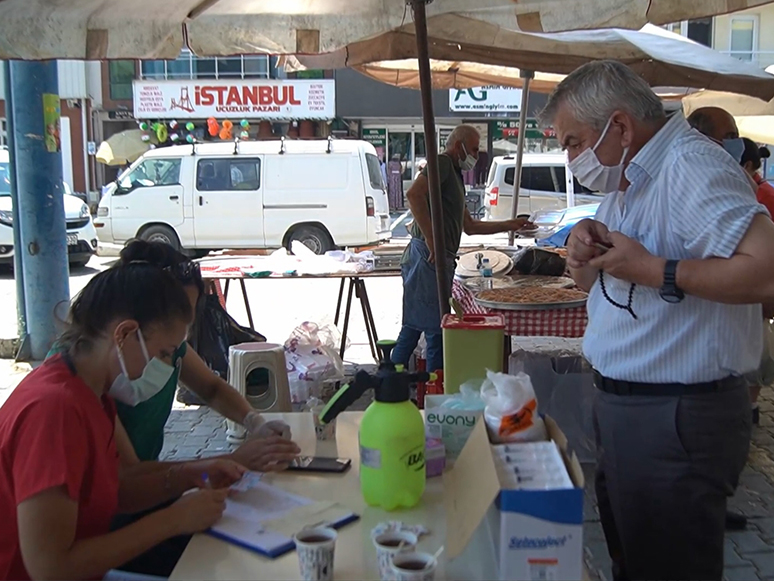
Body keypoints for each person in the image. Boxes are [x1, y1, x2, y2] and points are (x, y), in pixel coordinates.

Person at [541, 60, 774, 580]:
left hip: (677, 413)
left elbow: (766, 275)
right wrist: (584, 254)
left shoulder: (692, 167)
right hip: (635, 408)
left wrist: (651, 269)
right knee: (638, 562)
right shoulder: (632, 180)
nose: (571, 158)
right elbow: (607, 284)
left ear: (620, 126)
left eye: (574, 142)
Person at [0, 263, 247, 580]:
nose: (167, 366)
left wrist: (197, 472)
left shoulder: (93, 392)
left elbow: (122, 488)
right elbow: (51, 568)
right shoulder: (54, 410)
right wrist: (173, 519)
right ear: (125, 334)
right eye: (162, 353)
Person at [391, 124, 531, 373]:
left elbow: (470, 226)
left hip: (433, 255)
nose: (476, 157)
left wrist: (512, 224)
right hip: (427, 255)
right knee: (435, 331)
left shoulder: (454, 177)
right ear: (459, 146)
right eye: (474, 150)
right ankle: (433, 390)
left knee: (414, 327)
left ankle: (391, 377)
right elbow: (414, 195)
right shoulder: (443, 163)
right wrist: (433, 240)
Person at [687, 110, 774, 432]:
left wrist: (661, 272)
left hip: (732, 334)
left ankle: (748, 412)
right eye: (730, 134)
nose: (735, 142)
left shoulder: (741, 189)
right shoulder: (703, 182)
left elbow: (765, 272)